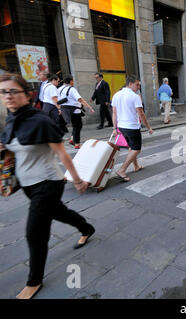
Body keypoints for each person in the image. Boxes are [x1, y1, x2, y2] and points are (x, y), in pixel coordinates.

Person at [0, 73, 95, 299]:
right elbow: (12, 147)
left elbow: (62, 154)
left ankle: (34, 282)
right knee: (60, 213)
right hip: (28, 185)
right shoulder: (11, 119)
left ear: (27, 95)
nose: (8, 96)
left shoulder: (40, 120)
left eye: (13, 91)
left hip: (48, 183)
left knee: (35, 232)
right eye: (4, 92)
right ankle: (87, 229)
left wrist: (78, 180)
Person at [112, 75, 153, 182]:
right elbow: (141, 114)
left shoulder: (116, 95)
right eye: (137, 84)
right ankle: (122, 170)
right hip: (132, 127)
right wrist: (148, 127)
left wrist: (115, 127)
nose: (138, 87)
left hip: (122, 126)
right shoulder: (134, 96)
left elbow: (114, 113)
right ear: (130, 84)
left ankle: (136, 166)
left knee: (131, 146)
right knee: (136, 149)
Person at [58, 75, 95, 149]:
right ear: (71, 81)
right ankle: (77, 143)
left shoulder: (59, 89)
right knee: (78, 126)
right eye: (73, 80)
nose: (73, 82)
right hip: (74, 110)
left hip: (65, 109)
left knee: (75, 126)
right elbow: (80, 99)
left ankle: (72, 139)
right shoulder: (72, 89)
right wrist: (89, 107)